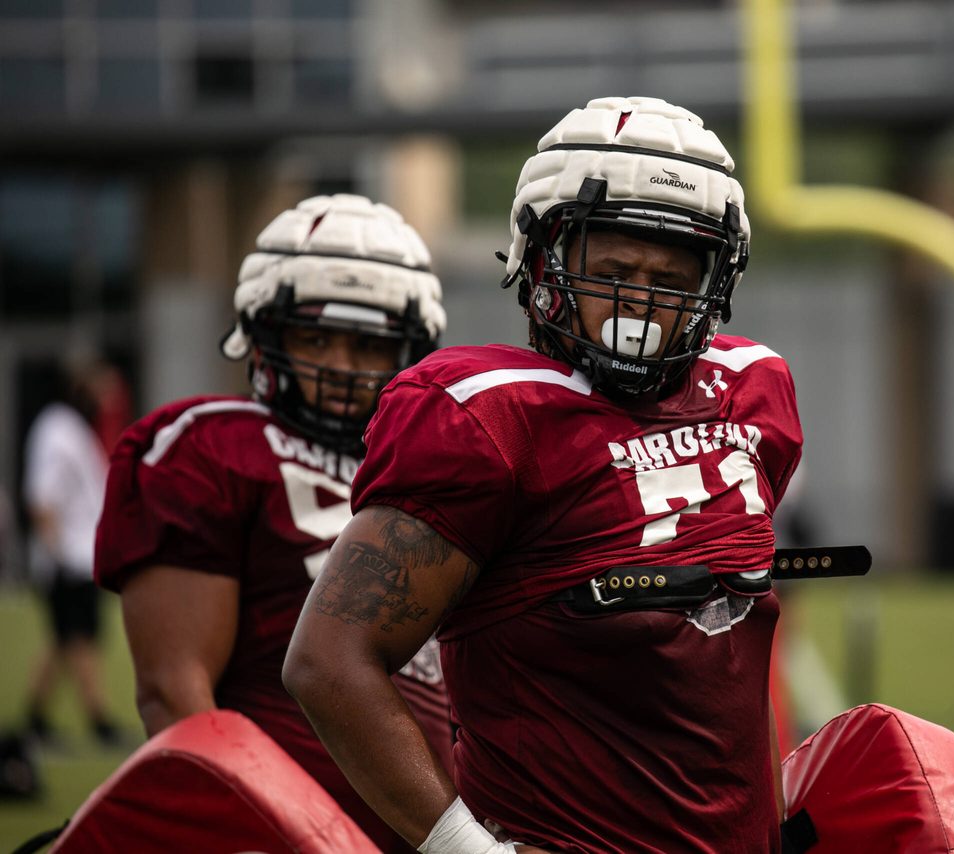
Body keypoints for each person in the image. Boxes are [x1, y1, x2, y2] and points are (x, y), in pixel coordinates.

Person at [285, 97, 802, 853]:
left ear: (715, 283)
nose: (642, 302)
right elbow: (329, 661)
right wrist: (467, 850)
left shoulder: (753, 391)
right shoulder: (487, 417)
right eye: (614, 270)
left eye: (671, 276)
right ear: (543, 260)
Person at [94, 194, 453, 852]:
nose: (342, 368)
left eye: (369, 345)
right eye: (315, 337)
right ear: (262, 335)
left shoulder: (433, 467)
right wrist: (240, 829)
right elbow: (175, 692)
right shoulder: (209, 445)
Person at [23, 352, 121, 745]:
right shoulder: (58, 429)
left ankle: (35, 717)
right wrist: (57, 555)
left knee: (64, 640)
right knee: (82, 638)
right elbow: (42, 498)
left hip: (77, 555)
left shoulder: (73, 429)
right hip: (69, 559)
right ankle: (100, 719)